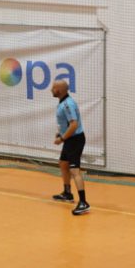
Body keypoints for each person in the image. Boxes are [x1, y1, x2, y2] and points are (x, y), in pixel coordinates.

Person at [52, 80, 90, 215]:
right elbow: (67, 124)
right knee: (63, 163)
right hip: (69, 139)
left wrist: (62, 138)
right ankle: (67, 193)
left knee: (74, 170)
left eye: (54, 87)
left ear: (59, 90)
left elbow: (74, 125)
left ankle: (84, 202)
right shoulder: (63, 102)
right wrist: (61, 133)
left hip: (75, 140)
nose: (51, 89)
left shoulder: (67, 104)